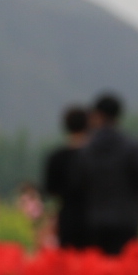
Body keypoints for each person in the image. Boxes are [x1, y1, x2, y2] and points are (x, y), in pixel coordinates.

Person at [74, 93, 138, 255]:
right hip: (127, 220)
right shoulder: (132, 147)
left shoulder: (87, 150)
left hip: (94, 221)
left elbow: (78, 185)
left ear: (97, 116)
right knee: (125, 270)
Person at [41, 105, 91, 249]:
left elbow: (50, 190)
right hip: (92, 216)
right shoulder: (95, 157)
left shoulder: (56, 157)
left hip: (67, 217)